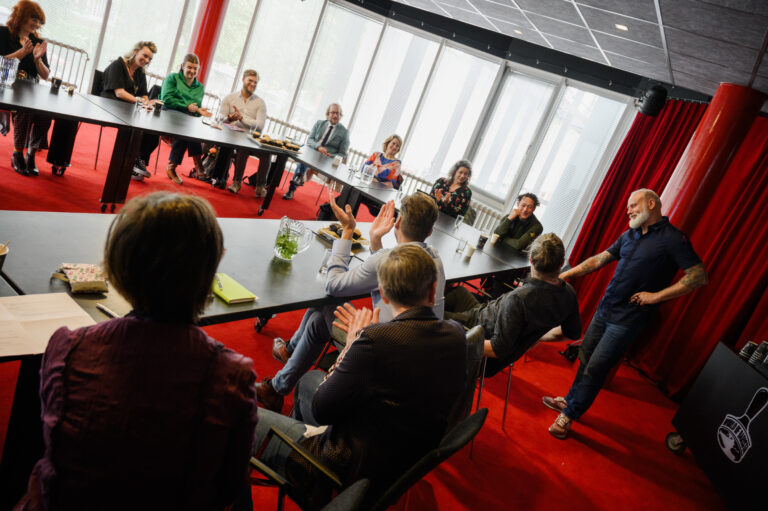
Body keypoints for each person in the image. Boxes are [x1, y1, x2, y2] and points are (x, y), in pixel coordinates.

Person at [14, 192, 258, 510]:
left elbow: (52, 450)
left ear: (118, 266)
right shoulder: (232, 377)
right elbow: (229, 488)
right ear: (208, 273)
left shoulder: (68, 348)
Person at [248, 244, 466, 509]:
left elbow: (322, 407)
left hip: (348, 465)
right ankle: (298, 454)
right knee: (307, 381)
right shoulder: (456, 334)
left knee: (242, 416)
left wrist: (352, 345)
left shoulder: (375, 341)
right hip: (399, 455)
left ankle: (306, 475)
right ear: (433, 292)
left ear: (382, 295)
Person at [256, 191, 445, 412]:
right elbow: (388, 268)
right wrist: (375, 240)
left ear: (399, 221)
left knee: (328, 301)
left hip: (379, 353)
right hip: (415, 358)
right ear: (430, 231)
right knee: (318, 323)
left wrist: (347, 232)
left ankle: (287, 360)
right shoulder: (435, 258)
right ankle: (277, 385)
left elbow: (333, 284)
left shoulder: (386, 261)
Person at [543, 189, 708, 439]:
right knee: (586, 359)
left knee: (597, 368)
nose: (628, 210)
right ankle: (570, 401)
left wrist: (656, 296)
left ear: (651, 204)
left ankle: (570, 415)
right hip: (605, 309)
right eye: (628, 206)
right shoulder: (630, 235)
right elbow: (600, 259)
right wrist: (565, 275)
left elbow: (698, 276)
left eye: (633, 205)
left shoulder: (673, 239)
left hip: (628, 320)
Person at [444, 233, 582, 377]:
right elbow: (571, 333)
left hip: (476, 332)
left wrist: (455, 341)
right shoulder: (569, 294)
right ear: (561, 263)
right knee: (458, 292)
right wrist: (534, 337)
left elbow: (496, 349)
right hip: (485, 316)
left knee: (430, 314)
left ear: (531, 261)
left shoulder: (520, 299)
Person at [0, 0, 49, 176]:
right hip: (6, 84)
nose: (36, 24)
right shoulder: (4, 33)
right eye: (33, 19)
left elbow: (45, 75)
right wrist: (22, 53)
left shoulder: (37, 41)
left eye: (39, 21)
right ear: (21, 16)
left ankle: (31, 154)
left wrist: (37, 60)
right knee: (26, 109)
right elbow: (1, 62)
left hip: (30, 86)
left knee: (46, 113)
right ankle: (17, 153)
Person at [100, 41, 161, 180]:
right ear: (135, 51)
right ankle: (133, 161)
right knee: (136, 128)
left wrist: (148, 102)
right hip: (111, 106)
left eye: (149, 59)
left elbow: (144, 93)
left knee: (153, 134)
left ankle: (138, 159)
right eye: (145, 56)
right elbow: (119, 93)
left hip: (128, 109)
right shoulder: (118, 65)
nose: (146, 60)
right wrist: (141, 101)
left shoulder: (140, 72)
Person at [203, 69, 268, 195]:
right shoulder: (230, 98)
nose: (253, 84)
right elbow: (219, 118)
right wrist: (229, 118)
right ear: (243, 80)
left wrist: (242, 118)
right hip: (231, 137)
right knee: (242, 147)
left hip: (250, 138)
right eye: (250, 80)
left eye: (255, 82)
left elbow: (260, 125)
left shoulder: (260, 103)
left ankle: (260, 186)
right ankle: (236, 182)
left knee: (267, 153)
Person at [161, 53, 212, 185]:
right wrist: (187, 107)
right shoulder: (172, 78)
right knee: (186, 127)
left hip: (186, 120)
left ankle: (172, 166)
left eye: (195, 68)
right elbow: (166, 100)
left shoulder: (199, 87)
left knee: (189, 127)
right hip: (169, 114)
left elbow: (196, 109)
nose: (192, 71)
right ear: (182, 66)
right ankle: (197, 165)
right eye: (189, 67)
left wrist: (200, 111)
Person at [283, 103, 349, 200]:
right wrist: (318, 147)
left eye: (338, 113)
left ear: (340, 115)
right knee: (304, 154)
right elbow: (310, 140)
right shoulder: (319, 123)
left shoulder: (344, 132)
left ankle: (297, 179)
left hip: (326, 159)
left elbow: (342, 154)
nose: (335, 116)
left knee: (304, 157)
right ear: (328, 114)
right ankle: (294, 185)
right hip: (313, 152)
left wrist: (330, 155)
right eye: (333, 113)